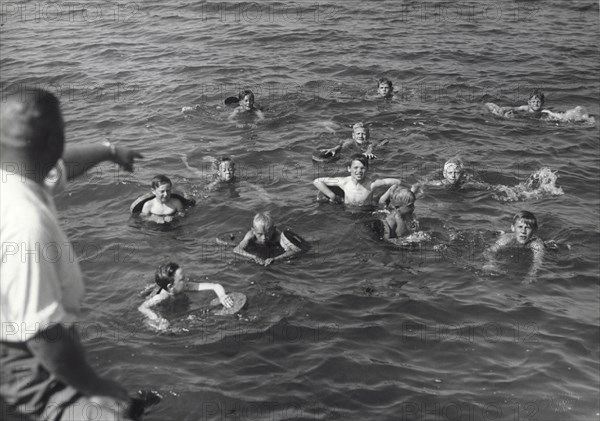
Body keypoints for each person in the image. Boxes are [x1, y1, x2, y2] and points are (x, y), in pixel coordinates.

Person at [1, 88, 142, 420]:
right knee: (116, 414)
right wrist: (96, 387)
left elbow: (63, 165)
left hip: (17, 339)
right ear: (53, 141)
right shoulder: (26, 224)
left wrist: (110, 151)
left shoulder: (16, 178)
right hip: (24, 365)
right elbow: (42, 334)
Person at [138, 263, 234, 330]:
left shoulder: (185, 286)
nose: (187, 279)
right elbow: (142, 307)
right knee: (160, 327)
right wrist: (156, 318)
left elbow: (215, 286)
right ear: (171, 287)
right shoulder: (161, 297)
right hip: (164, 302)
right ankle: (151, 288)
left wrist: (222, 296)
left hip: (173, 292)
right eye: (182, 279)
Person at [313, 154, 401, 207]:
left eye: (362, 168)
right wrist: (331, 195)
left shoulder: (371, 184)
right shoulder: (344, 182)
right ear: (349, 169)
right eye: (355, 168)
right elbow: (317, 181)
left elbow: (397, 182)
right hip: (347, 209)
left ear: (367, 169)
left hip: (366, 210)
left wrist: (384, 198)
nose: (359, 171)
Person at [483, 211, 545, 283]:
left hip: (529, 248)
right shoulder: (507, 238)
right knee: (499, 235)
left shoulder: (536, 244)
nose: (523, 231)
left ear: (534, 230)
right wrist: (491, 262)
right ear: (513, 228)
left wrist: (532, 274)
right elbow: (490, 250)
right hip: (509, 238)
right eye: (520, 227)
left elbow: (538, 261)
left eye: (527, 228)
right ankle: (499, 233)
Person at [233, 212, 302, 266]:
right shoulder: (250, 235)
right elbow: (236, 249)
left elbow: (294, 250)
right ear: (253, 231)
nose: (264, 238)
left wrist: (275, 259)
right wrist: (253, 257)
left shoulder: (278, 236)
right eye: (260, 234)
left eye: (268, 234)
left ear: (274, 230)